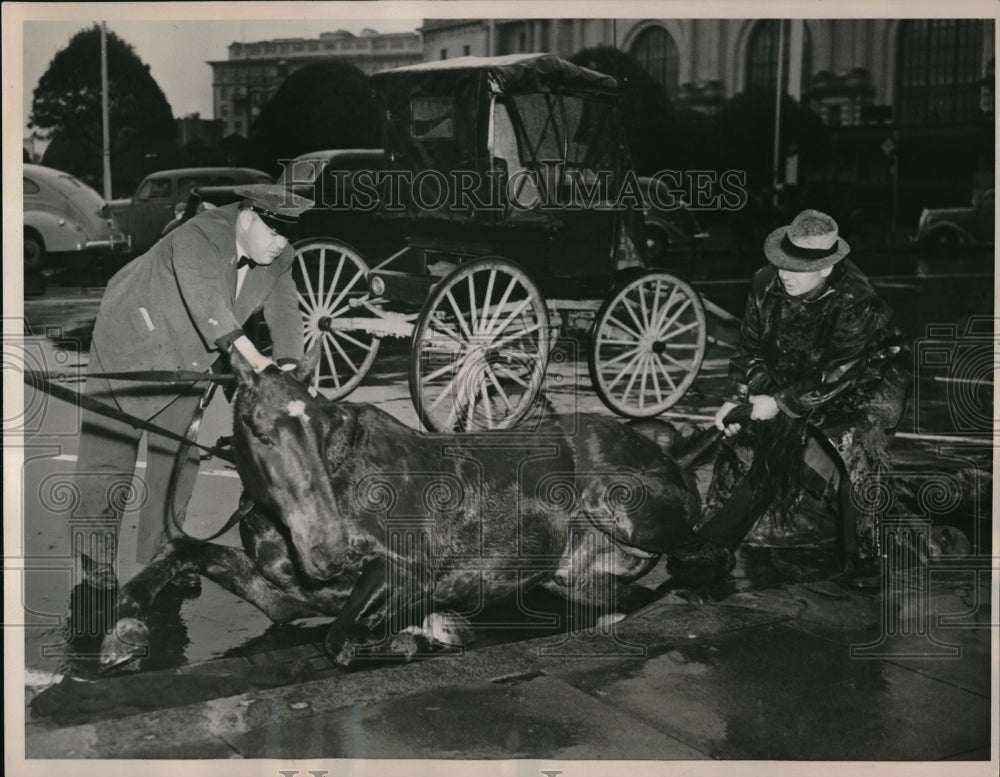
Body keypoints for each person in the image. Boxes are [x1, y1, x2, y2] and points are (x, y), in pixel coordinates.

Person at [70, 184, 314, 594]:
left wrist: (289, 370)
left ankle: (163, 556)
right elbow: (210, 310)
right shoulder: (199, 236)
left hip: (191, 354)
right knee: (109, 454)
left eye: (288, 235)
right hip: (131, 336)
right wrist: (258, 364)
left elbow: (285, 313)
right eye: (274, 233)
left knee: (177, 457)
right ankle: (95, 562)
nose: (281, 244)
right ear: (248, 217)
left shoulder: (280, 254)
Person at [668, 209, 911, 585]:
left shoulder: (855, 296)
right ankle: (714, 544)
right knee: (777, 445)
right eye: (783, 264)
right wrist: (737, 396)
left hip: (870, 376)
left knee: (858, 450)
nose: (785, 275)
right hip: (804, 368)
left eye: (796, 269)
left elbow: (840, 369)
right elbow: (750, 346)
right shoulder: (765, 283)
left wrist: (779, 402)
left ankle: (864, 559)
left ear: (826, 269)